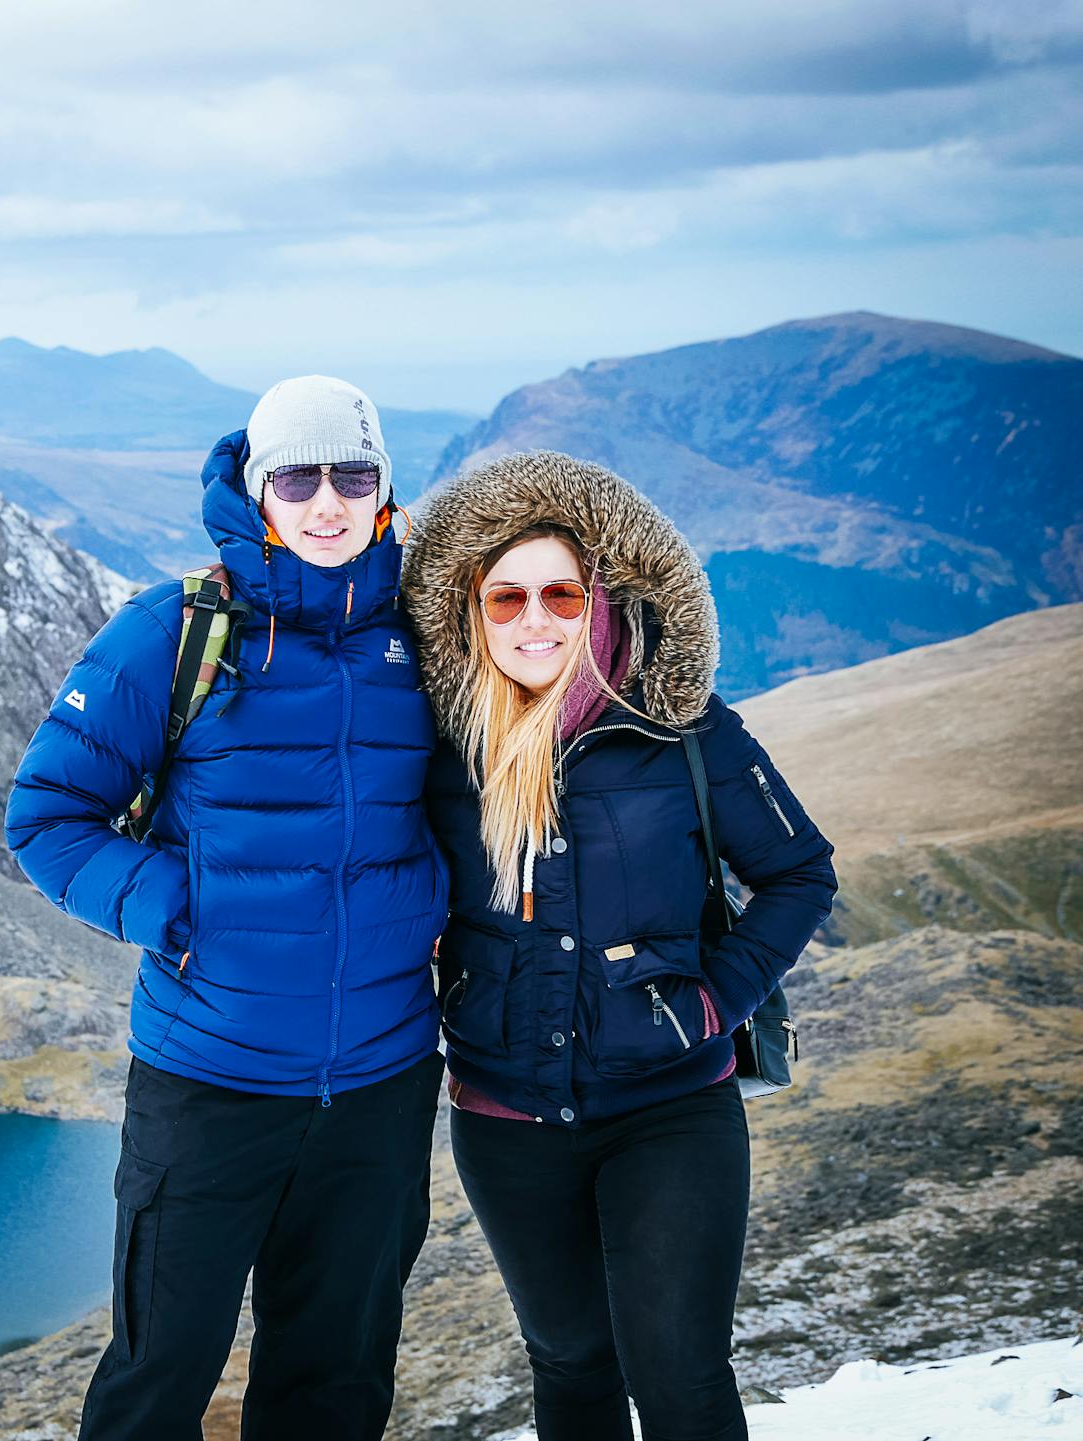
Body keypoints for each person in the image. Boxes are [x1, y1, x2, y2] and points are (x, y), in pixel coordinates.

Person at [5, 377, 449, 1441]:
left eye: (355, 475)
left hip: (382, 1086)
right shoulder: (175, 629)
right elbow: (47, 814)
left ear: (385, 489)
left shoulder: (429, 636)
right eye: (298, 477)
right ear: (257, 489)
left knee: (335, 1388)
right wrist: (178, 907)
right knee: (158, 1378)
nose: (328, 502)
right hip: (209, 1083)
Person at [401, 450, 837, 1441]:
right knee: (569, 1364)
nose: (534, 619)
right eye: (504, 597)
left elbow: (801, 872)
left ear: (599, 599)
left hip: (671, 1110)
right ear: (472, 609)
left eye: (560, 591)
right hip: (504, 1118)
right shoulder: (437, 746)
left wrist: (711, 1001)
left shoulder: (684, 730)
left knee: (678, 1372)